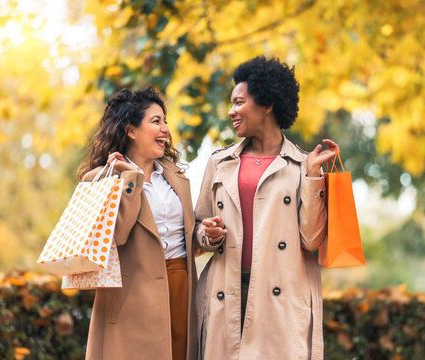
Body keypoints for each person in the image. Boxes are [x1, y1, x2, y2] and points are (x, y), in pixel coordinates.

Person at [194, 56, 339, 360]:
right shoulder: (218, 163)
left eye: (238, 102)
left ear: (267, 104)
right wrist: (207, 234)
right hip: (225, 292)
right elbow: (196, 232)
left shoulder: (302, 165)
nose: (231, 111)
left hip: (280, 295)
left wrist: (314, 177)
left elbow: (311, 241)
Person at [77, 87, 197, 360]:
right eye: (156, 121)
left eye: (165, 121)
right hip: (131, 299)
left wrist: (205, 234)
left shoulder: (176, 177)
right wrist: (130, 180)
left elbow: (186, 236)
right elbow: (115, 237)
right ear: (131, 130)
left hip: (181, 287)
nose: (166, 129)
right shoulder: (101, 179)